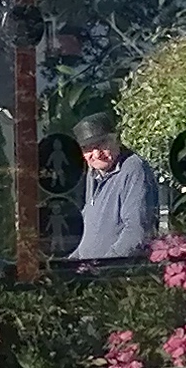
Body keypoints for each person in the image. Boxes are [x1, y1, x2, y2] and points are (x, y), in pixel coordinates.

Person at [65, 111, 159, 266]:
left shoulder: (134, 169)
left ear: (116, 140)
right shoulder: (93, 173)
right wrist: (71, 262)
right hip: (90, 271)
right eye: (88, 149)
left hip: (115, 273)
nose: (97, 154)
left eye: (101, 144)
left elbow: (136, 231)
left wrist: (106, 266)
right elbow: (89, 227)